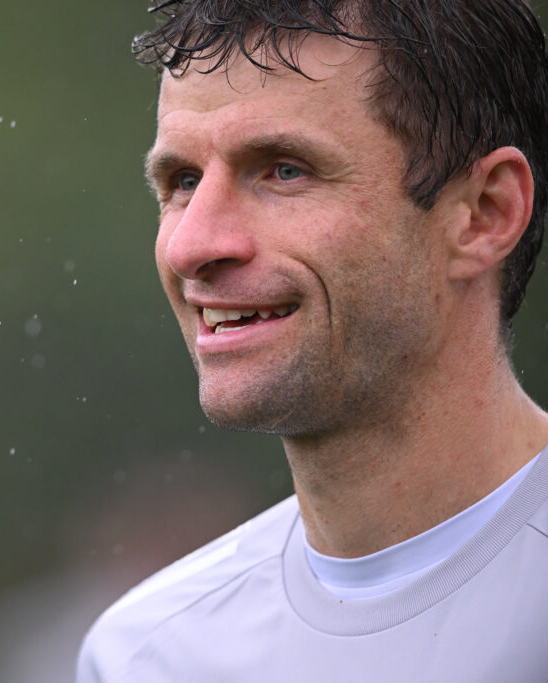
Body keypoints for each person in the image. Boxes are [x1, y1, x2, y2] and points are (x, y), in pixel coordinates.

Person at [77, 1, 548, 681]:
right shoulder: (146, 655)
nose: (192, 245)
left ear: (483, 215)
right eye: (182, 181)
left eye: (283, 170)